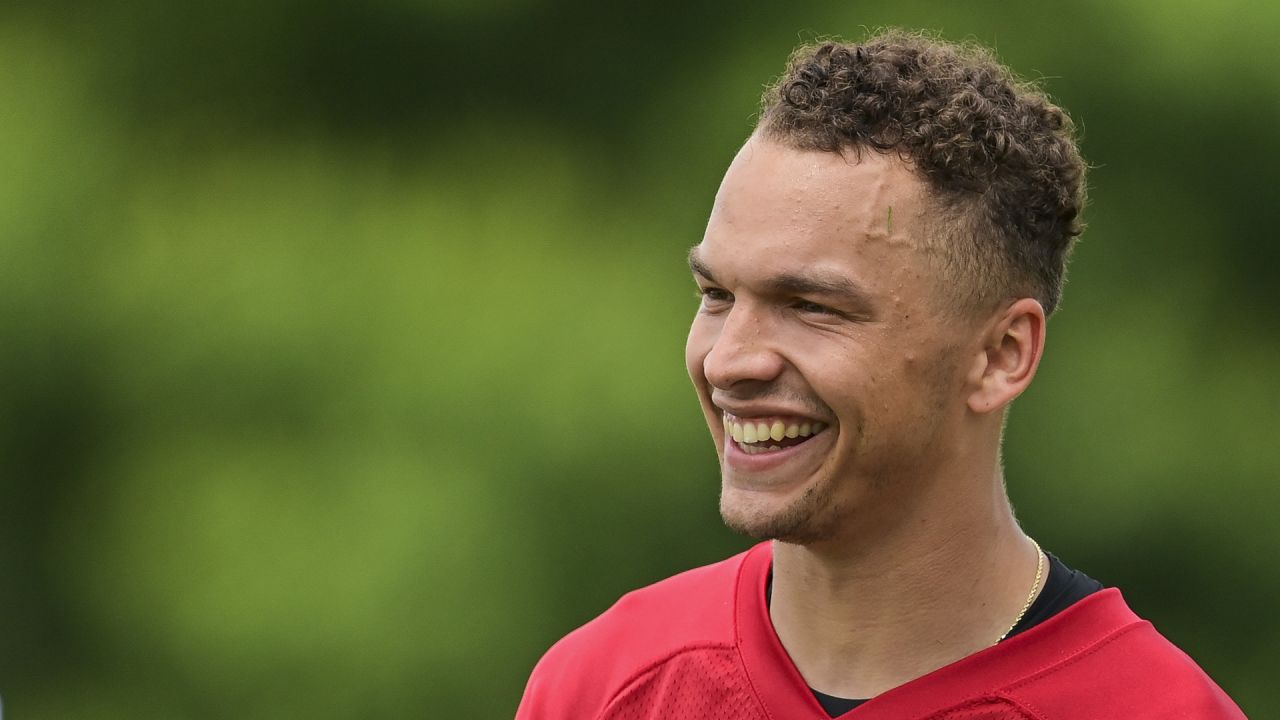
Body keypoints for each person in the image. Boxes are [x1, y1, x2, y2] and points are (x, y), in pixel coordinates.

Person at [516, 29, 1246, 719]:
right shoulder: (604, 682)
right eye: (717, 296)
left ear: (1001, 356)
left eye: (811, 306)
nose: (729, 360)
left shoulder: (1156, 706)